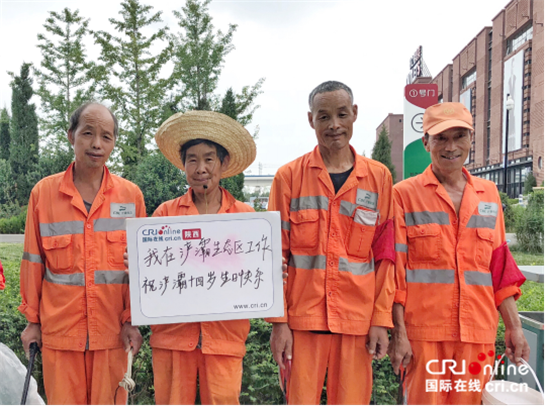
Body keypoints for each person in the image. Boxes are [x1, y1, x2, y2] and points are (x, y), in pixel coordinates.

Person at [389, 102, 529, 404]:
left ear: (470, 140)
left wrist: (515, 328)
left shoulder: (488, 194)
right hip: (424, 335)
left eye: (459, 136)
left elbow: (500, 268)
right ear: (425, 142)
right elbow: (394, 274)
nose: (451, 147)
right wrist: (398, 333)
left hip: (477, 334)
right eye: (441, 138)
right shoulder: (403, 195)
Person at [267, 81, 396, 404]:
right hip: (302, 324)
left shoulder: (379, 178)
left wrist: (381, 319)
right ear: (311, 120)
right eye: (323, 117)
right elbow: (273, 257)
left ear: (354, 114)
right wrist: (279, 323)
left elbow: (386, 256)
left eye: (341, 114)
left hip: (357, 323)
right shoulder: (289, 177)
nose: (334, 125)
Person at [19, 102, 146, 405]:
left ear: (114, 142)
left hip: (112, 337)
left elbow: (139, 269)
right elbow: (33, 262)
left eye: (106, 136)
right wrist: (32, 321)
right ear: (70, 136)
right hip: (60, 337)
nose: (96, 144)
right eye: (87, 133)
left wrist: (132, 320)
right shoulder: (43, 195)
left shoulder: (131, 197)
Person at [146, 110, 257, 405]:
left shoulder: (246, 217)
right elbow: (150, 274)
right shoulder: (164, 214)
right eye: (192, 159)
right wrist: (140, 268)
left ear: (222, 163)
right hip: (172, 340)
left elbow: (255, 273)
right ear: (183, 165)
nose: (200, 167)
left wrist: (270, 273)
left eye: (209, 158)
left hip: (224, 340)